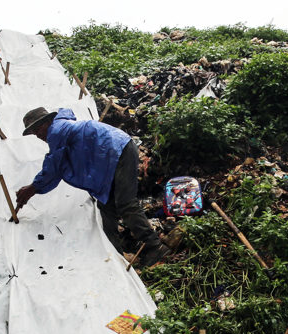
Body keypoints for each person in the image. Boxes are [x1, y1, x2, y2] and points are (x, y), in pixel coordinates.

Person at [15, 107, 171, 267]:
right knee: (106, 207)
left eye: (37, 128)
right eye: (33, 132)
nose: (37, 135)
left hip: (118, 151)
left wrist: (32, 188)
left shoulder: (56, 131)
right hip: (112, 158)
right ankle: (115, 258)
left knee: (125, 203)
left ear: (47, 122)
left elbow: (53, 168)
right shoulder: (62, 129)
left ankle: (155, 247)